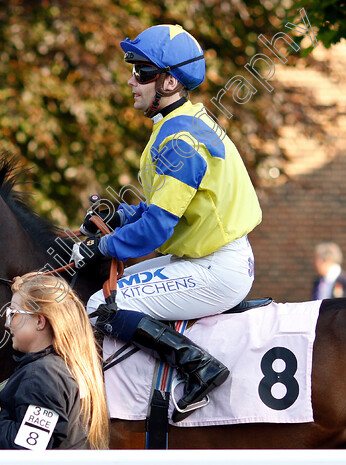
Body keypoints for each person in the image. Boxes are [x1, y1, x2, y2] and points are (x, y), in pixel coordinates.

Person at [70, 24, 263, 421]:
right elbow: (161, 208)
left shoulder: (180, 140)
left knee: (99, 305)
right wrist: (118, 217)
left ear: (170, 81)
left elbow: (158, 229)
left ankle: (200, 368)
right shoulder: (182, 122)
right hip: (207, 258)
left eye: (141, 72)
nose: (131, 80)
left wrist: (102, 246)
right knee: (112, 292)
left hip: (215, 267)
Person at [0, 272, 109, 449]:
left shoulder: (42, 375)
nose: (7, 324)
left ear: (39, 321)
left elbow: (25, 450)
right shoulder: (67, 367)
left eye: (13, 313)